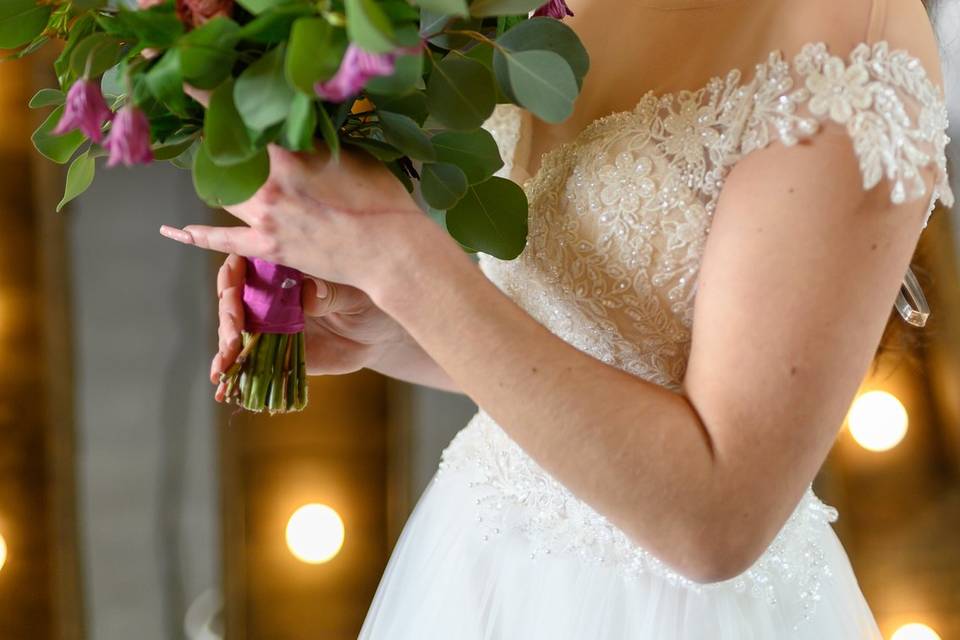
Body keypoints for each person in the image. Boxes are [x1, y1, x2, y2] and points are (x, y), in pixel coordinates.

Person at [158, 0, 953, 636]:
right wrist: (403, 326)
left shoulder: (854, 51)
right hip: (480, 566)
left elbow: (718, 521)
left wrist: (403, 262)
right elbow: (598, 343)